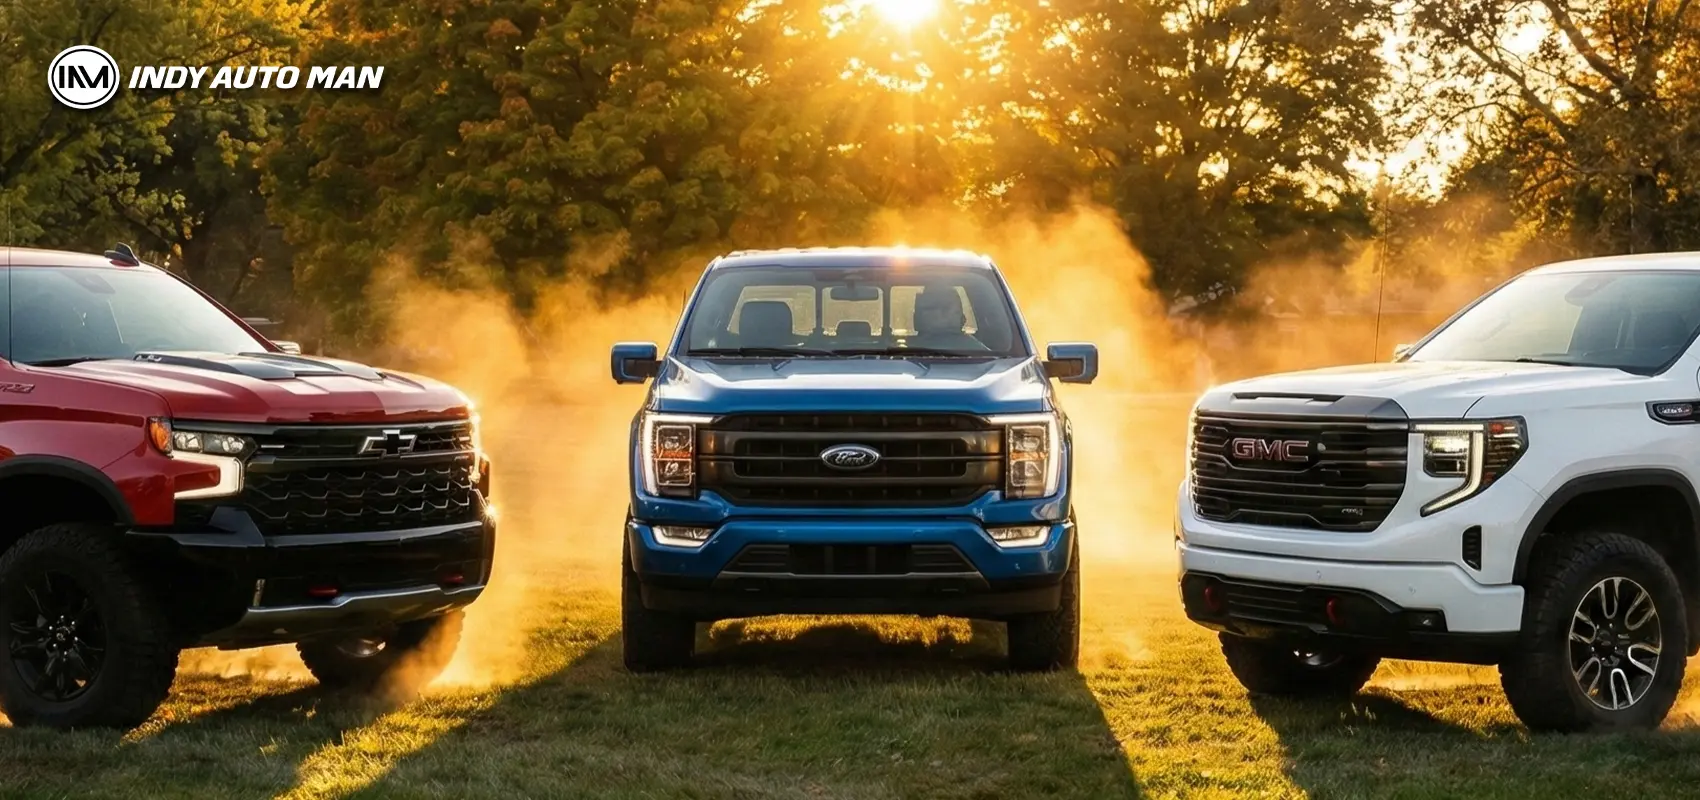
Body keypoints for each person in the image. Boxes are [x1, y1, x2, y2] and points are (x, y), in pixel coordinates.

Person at [910, 284, 988, 352]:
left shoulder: (904, 352)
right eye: (931, 308)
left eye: (945, 307)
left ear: (915, 319)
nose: (938, 313)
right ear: (963, 319)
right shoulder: (983, 354)